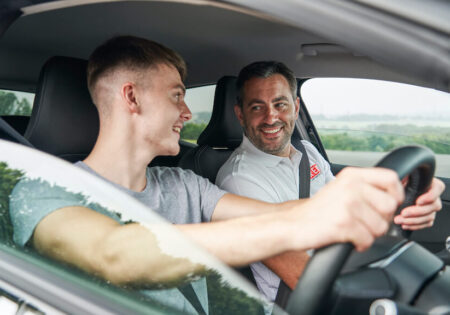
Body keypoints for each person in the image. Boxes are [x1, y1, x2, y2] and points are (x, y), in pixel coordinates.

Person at [8, 37, 434, 313]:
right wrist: (315, 218)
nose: (187, 113)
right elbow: (116, 252)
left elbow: (273, 214)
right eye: (177, 96)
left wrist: (384, 200)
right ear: (131, 97)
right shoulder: (42, 191)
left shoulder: (182, 185)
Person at [216, 61, 445, 302]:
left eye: (280, 104)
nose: (271, 117)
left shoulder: (306, 150)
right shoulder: (238, 179)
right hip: (303, 299)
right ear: (240, 115)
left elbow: (348, 209)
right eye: (256, 107)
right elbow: (302, 276)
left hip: (344, 266)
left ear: (295, 107)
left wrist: (408, 199)